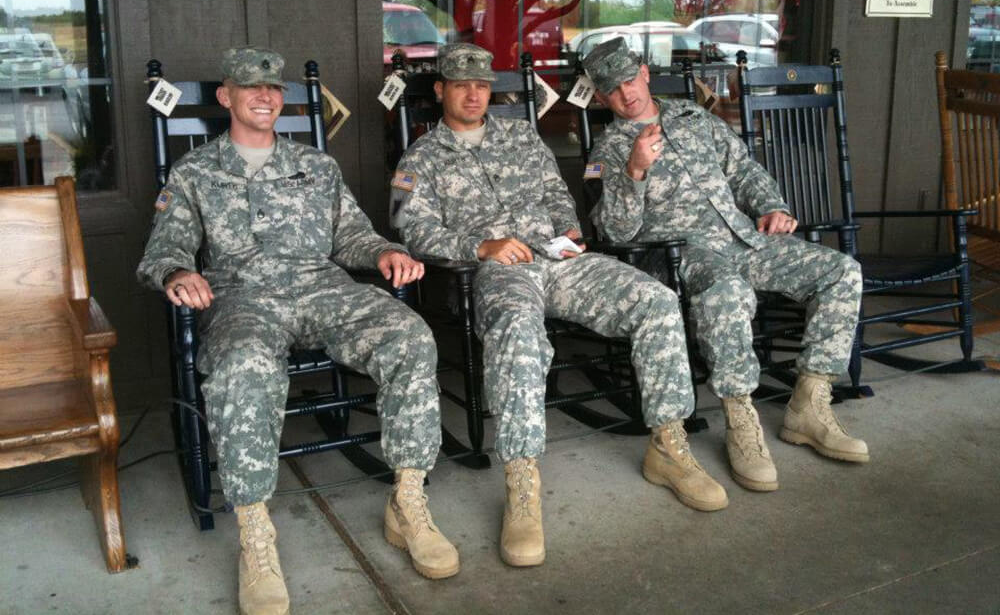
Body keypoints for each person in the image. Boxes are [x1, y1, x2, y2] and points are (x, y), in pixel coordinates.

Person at [137, 47, 458, 615]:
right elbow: (163, 250)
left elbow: (353, 236)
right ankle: (256, 533)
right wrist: (179, 272)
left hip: (323, 289)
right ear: (226, 96)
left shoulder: (317, 166)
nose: (266, 97)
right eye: (252, 87)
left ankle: (408, 501)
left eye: (275, 89)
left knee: (409, 335)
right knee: (244, 365)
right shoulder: (194, 172)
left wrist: (386, 250)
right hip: (241, 298)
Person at [391, 43, 727, 569]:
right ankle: (522, 483)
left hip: (560, 258)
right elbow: (414, 230)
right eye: (461, 85)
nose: (475, 93)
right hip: (501, 271)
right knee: (517, 328)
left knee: (656, 301)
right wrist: (481, 247)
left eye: (482, 84)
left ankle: (668, 444)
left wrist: (569, 227)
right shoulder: (422, 158)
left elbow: (556, 193)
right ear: (441, 92)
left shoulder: (522, 136)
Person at [582, 36, 868, 495]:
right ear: (600, 97)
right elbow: (614, 233)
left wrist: (772, 206)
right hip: (683, 254)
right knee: (726, 291)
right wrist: (634, 171)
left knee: (841, 271)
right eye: (612, 90)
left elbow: (743, 171)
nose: (626, 94)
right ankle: (741, 419)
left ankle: (810, 404)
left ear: (645, 74)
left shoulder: (695, 117)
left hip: (744, 239)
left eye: (630, 80)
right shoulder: (607, 153)